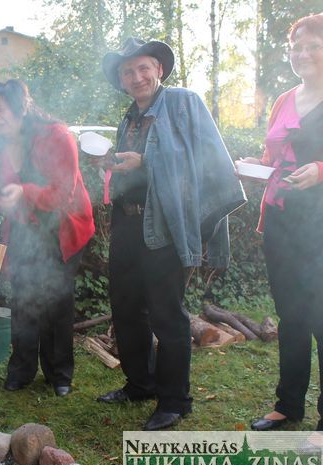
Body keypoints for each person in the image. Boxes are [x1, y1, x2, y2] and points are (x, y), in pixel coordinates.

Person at [94, 38, 246, 430]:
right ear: (122, 81)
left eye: (143, 68)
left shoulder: (183, 102)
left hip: (164, 225)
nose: (137, 77)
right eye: (128, 72)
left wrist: (145, 161)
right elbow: (133, 171)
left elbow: (205, 159)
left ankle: (175, 401)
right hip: (128, 223)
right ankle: (140, 384)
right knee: (126, 308)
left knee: (166, 312)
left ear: (158, 69)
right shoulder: (129, 118)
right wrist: (110, 164)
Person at [0, 79, 95, 398]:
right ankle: (22, 369)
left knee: (57, 300)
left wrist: (24, 192)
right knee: (23, 297)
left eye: (0, 109)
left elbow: (64, 193)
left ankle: (59, 374)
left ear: (21, 107)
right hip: (22, 227)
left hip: (62, 227)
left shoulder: (56, 135)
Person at [244, 13, 323, 432]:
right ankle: (288, 404)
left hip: (320, 224)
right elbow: (273, 157)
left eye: (313, 46)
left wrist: (321, 170)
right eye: (297, 48)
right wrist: (254, 165)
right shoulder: (284, 100)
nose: (303, 54)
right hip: (281, 222)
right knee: (290, 315)